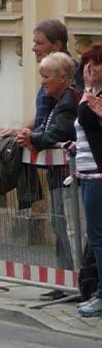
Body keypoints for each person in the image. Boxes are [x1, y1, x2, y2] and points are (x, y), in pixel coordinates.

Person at [5, 52, 78, 300]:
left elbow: (57, 134)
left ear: (64, 78)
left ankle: (76, 282)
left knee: (70, 229)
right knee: (60, 227)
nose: (43, 82)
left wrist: (32, 139)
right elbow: (46, 129)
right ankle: (65, 280)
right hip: (58, 175)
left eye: (47, 77)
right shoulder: (55, 101)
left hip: (68, 176)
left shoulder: (68, 102)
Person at [75, 45, 102, 317]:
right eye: (85, 64)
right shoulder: (92, 96)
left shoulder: (95, 98)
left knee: (98, 238)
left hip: (97, 174)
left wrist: (88, 89)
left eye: (95, 64)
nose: (89, 69)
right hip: (87, 172)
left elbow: (87, 119)